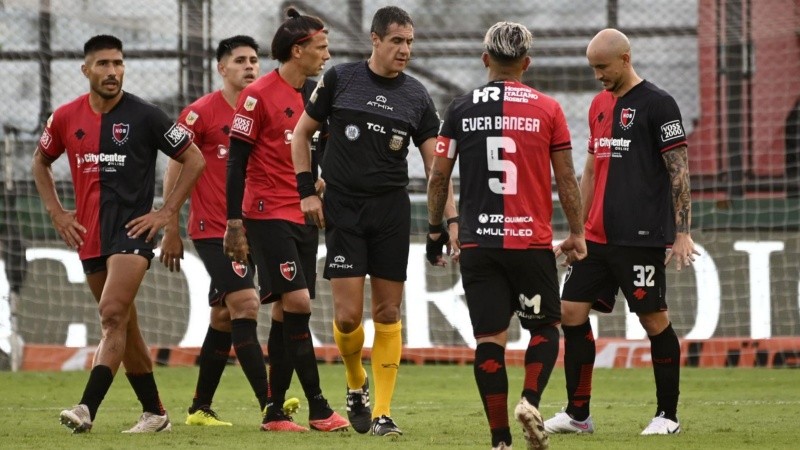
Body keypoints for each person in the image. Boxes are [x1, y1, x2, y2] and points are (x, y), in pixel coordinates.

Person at [291, 5, 458, 437]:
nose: (405, 50)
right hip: (344, 208)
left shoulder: (417, 96)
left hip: (390, 211)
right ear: (376, 40)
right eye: (397, 41)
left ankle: (382, 413)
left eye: (410, 43)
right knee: (347, 318)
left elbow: (437, 170)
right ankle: (355, 383)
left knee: (387, 310)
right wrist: (307, 190)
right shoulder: (339, 80)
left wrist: (448, 222)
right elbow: (300, 135)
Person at [32, 34, 205, 433]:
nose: (113, 71)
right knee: (124, 327)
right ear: (86, 69)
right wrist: (57, 213)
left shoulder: (146, 115)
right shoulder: (64, 117)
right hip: (88, 234)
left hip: (133, 230)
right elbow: (40, 163)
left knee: (111, 313)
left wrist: (166, 212)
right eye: (104, 64)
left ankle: (86, 407)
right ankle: (155, 413)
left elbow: (193, 158)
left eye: (118, 63)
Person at [427, 21, 586, 450]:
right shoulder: (548, 109)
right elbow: (567, 179)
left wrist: (436, 229)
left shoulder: (459, 108)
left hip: (479, 244)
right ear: (526, 64)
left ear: (485, 60)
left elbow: (438, 178)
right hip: (530, 244)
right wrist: (577, 232)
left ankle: (500, 441)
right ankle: (530, 401)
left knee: (488, 342)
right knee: (545, 329)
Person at [543, 28, 698, 436]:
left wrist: (682, 232)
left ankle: (667, 416)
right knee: (571, 313)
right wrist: (577, 228)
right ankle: (579, 415)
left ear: (625, 58)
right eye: (593, 68)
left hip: (640, 237)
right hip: (596, 238)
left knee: (654, 320)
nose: (598, 75)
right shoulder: (598, 105)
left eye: (603, 67)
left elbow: (679, 171)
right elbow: (592, 168)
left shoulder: (659, 104)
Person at [224, 8, 348, 433]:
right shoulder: (257, 95)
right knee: (297, 303)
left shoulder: (316, 94)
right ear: (298, 50)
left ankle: (274, 412)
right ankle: (317, 407)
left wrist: (324, 178)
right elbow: (235, 161)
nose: (326, 55)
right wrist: (233, 221)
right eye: (321, 48)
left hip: (303, 213)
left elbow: (329, 144)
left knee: (283, 314)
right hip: (265, 214)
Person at [160, 35, 294, 429]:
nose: (250, 66)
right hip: (212, 229)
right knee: (247, 305)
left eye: (254, 60)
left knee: (223, 317)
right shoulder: (200, 114)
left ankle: (200, 407)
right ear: (222, 68)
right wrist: (170, 225)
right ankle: (270, 406)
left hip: (257, 228)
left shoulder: (265, 109)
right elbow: (173, 166)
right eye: (240, 60)